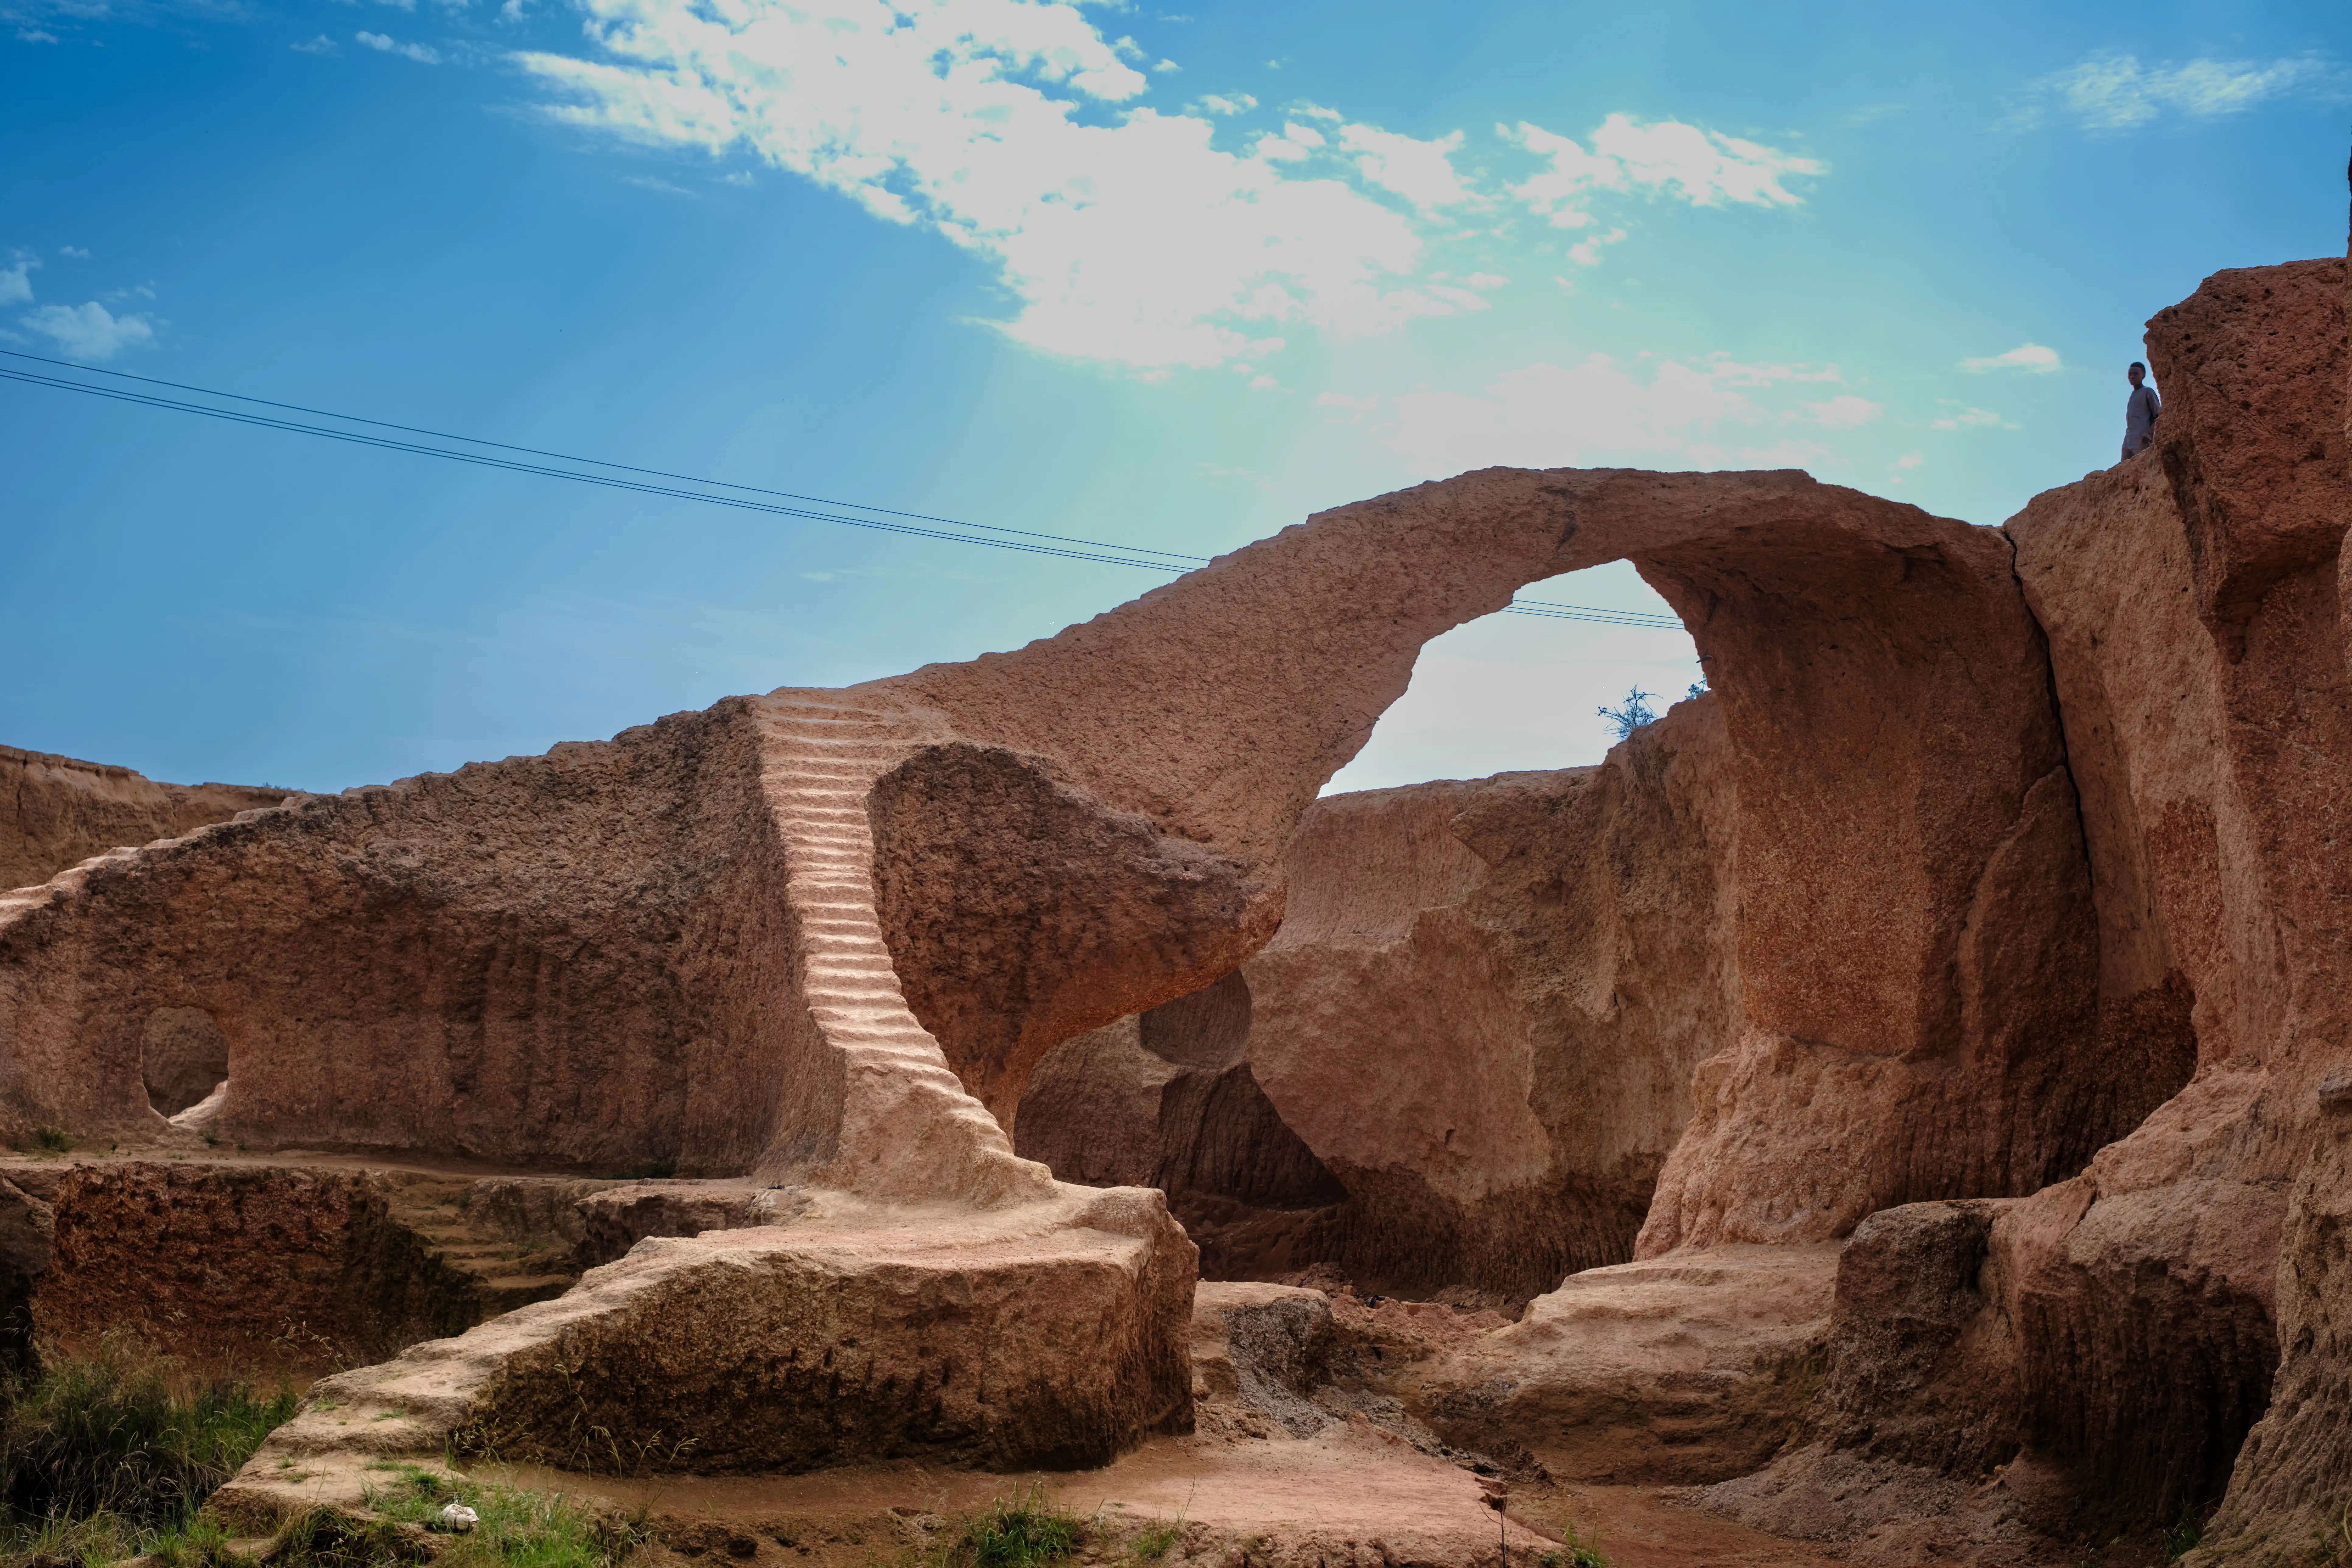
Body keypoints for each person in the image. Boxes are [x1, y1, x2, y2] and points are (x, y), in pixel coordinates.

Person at [2122, 362, 2160, 459]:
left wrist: (2149, 433)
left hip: (2142, 440)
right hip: (2128, 440)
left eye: (2136, 374)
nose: (2132, 377)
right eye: (2130, 374)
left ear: (2143, 375)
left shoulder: (2148, 392)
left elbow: (2159, 416)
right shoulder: (2132, 396)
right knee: (2124, 471)